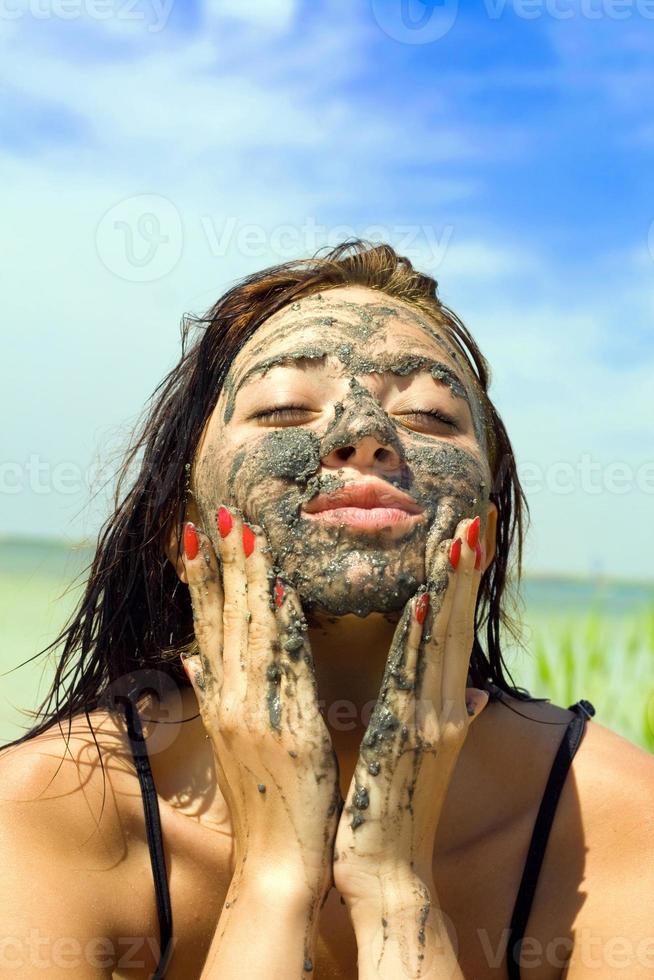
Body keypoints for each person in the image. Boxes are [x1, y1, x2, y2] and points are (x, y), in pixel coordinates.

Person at [1, 241, 652, 980]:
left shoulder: (615, 822)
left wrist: (396, 889)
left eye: (433, 417)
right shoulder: (50, 811)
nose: (364, 434)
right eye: (283, 409)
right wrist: (273, 882)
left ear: (490, 528)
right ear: (180, 528)